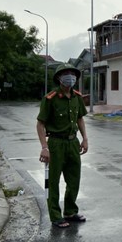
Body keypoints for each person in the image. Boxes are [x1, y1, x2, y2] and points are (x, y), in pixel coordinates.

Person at [36, 63, 89, 228]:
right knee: (53, 181)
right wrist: (44, 147)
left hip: (73, 143)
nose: (70, 77)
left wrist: (85, 138)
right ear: (59, 77)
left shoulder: (77, 97)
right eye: (65, 73)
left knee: (74, 179)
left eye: (72, 73)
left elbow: (80, 118)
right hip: (56, 143)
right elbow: (40, 124)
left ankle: (71, 211)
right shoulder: (50, 98)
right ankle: (55, 215)